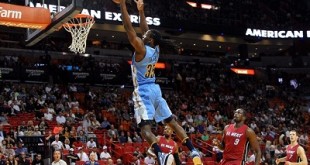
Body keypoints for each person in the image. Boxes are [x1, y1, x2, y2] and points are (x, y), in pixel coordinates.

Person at [116, 0, 202, 164]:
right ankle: (193, 150)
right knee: (171, 121)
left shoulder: (141, 49)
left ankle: (161, 155)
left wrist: (122, 4)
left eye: (147, 36)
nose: (144, 35)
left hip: (143, 91)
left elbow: (129, 29)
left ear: (151, 40)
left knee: (145, 129)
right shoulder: (155, 49)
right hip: (156, 89)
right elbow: (146, 29)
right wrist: (141, 11)